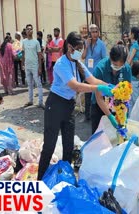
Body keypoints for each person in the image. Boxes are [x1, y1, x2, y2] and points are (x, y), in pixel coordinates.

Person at [37, 31, 114, 180]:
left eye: (82, 48)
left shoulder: (78, 64)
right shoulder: (61, 64)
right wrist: (99, 89)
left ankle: (65, 178)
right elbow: (76, 86)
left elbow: (93, 80)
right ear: (69, 47)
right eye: (78, 48)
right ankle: (39, 180)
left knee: (68, 145)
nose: (80, 51)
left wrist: (111, 87)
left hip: (69, 106)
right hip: (55, 105)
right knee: (49, 146)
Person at [91, 44, 132, 134]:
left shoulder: (126, 69)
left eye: (120, 66)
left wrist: (123, 115)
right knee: (99, 136)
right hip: (100, 106)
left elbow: (127, 94)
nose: (117, 69)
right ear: (110, 57)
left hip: (118, 105)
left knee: (118, 134)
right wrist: (110, 117)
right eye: (114, 65)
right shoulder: (100, 68)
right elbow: (98, 97)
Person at [81, 24, 107, 121]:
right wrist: (86, 47)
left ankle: (97, 115)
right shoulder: (87, 43)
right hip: (88, 73)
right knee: (87, 95)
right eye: (92, 32)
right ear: (90, 33)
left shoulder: (101, 44)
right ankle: (87, 116)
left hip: (97, 75)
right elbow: (83, 57)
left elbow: (105, 59)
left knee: (97, 95)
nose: (95, 34)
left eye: (96, 31)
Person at [22, 24, 44, 109]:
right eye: (27, 29)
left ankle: (41, 102)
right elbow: (23, 53)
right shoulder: (24, 42)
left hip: (35, 66)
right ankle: (30, 101)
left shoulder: (36, 42)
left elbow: (39, 55)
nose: (29, 31)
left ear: (32, 31)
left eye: (30, 29)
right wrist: (22, 64)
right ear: (26, 31)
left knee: (38, 84)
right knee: (29, 84)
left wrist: (40, 67)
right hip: (27, 66)